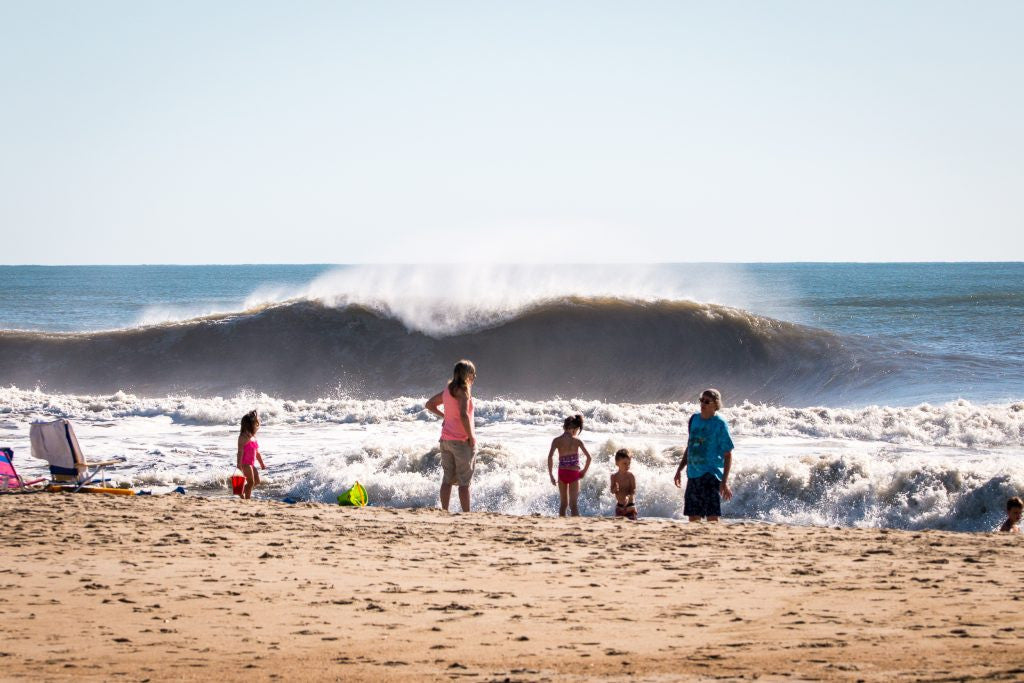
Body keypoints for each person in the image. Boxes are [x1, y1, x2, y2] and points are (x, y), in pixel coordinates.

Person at [673, 388, 734, 522]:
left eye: (707, 401)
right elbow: (690, 446)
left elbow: (728, 454)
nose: (703, 403)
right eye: (702, 400)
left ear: (715, 404)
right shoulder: (694, 419)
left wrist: (724, 482)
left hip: (710, 474)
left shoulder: (720, 424)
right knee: (693, 518)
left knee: (712, 517)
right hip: (693, 474)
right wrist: (679, 469)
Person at [426, 360, 477, 513]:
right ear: (467, 375)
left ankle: (444, 511)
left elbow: (429, 404)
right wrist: (471, 436)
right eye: (473, 373)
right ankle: (466, 513)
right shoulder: (464, 391)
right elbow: (463, 415)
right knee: (464, 482)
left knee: (447, 479)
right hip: (461, 441)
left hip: (445, 440)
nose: (474, 377)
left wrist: (445, 417)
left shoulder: (448, 390)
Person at [547, 414, 592, 517]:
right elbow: (589, 458)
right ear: (575, 428)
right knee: (573, 505)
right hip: (573, 473)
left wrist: (551, 475)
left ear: (564, 426)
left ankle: (561, 523)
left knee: (563, 504)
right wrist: (584, 471)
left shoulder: (556, 440)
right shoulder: (577, 441)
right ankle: (576, 524)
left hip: (562, 472)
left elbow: (550, 457)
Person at [236, 410, 265, 500]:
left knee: (257, 481)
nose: (257, 426)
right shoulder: (243, 437)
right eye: (255, 424)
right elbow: (240, 452)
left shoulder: (253, 437)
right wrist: (239, 465)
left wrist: (261, 463)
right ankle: (247, 499)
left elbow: (257, 453)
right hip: (245, 464)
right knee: (251, 483)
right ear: (249, 425)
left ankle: (240, 491)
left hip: (251, 464)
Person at [610, 448, 637, 520]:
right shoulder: (614, 477)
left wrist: (628, 496)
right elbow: (612, 491)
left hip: (630, 506)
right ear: (617, 463)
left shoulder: (630, 476)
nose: (627, 466)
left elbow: (633, 490)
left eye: (629, 463)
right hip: (620, 506)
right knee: (619, 524)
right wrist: (615, 489)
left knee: (632, 523)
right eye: (624, 463)